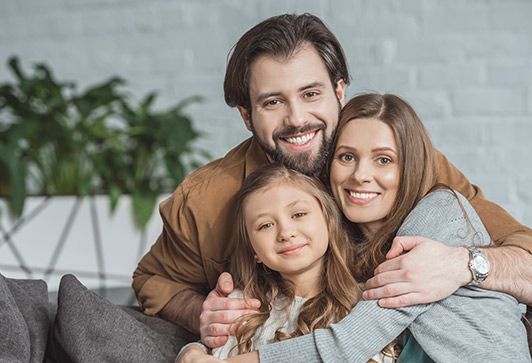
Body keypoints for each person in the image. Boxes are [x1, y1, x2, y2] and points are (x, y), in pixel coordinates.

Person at [132, 13, 532, 348]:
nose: (296, 119)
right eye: (273, 101)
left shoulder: (402, 163)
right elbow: (153, 280)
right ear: (246, 114)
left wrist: (463, 263)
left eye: (311, 94)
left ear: (339, 91)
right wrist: (201, 313)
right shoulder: (206, 199)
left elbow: (525, 259)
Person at [178, 94, 530, 362]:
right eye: (347, 157)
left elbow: (348, 344)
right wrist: (195, 345)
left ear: (411, 167)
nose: (361, 174)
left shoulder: (439, 214)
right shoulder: (349, 243)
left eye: (384, 159)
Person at [177, 164, 398, 362]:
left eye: (299, 214)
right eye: (265, 225)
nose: (285, 232)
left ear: (329, 221)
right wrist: (192, 351)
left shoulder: (365, 302)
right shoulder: (242, 308)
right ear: (253, 251)